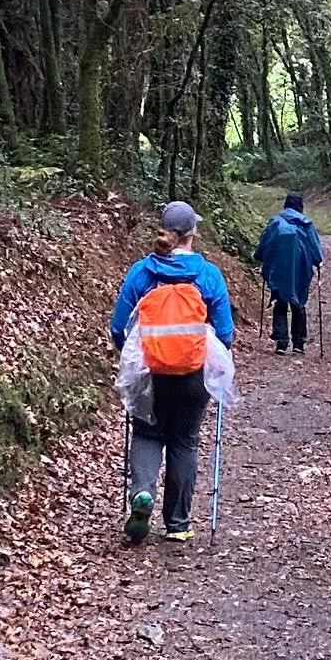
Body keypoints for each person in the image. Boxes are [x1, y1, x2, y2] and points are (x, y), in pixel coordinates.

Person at [110, 201, 234, 545]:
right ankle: (178, 523)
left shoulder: (142, 272)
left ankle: (142, 495)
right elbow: (224, 335)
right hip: (193, 376)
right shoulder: (208, 275)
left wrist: (134, 360)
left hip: (149, 372)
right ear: (192, 233)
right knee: (184, 440)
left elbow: (119, 327)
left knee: (148, 434)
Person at [253, 192, 324, 355]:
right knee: (299, 303)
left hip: (278, 271)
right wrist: (318, 261)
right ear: (300, 206)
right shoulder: (306, 224)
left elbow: (264, 246)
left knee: (280, 303)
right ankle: (299, 343)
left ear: (286, 205)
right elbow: (316, 250)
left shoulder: (275, 223)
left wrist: (259, 257)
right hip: (301, 270)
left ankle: (281, 343)